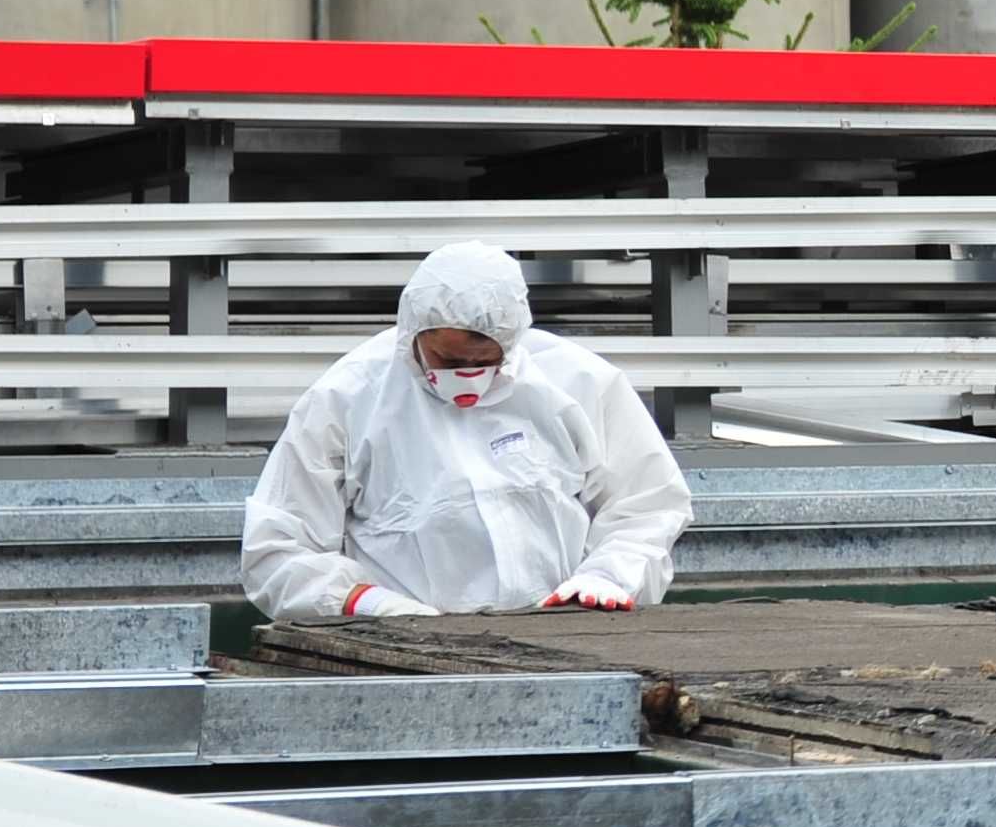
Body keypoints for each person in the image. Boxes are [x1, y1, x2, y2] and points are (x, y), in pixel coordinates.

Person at [240, 239, 692, 622]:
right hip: (401, 652)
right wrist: (364, 602)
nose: (468, 378)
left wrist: (608, 577)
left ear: (514, 340)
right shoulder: (347, 397)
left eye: (486, 362)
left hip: (563, 633)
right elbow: (277, 548)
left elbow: (648, 503)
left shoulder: (577, 383)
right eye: (449, 362)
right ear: (412, 332)